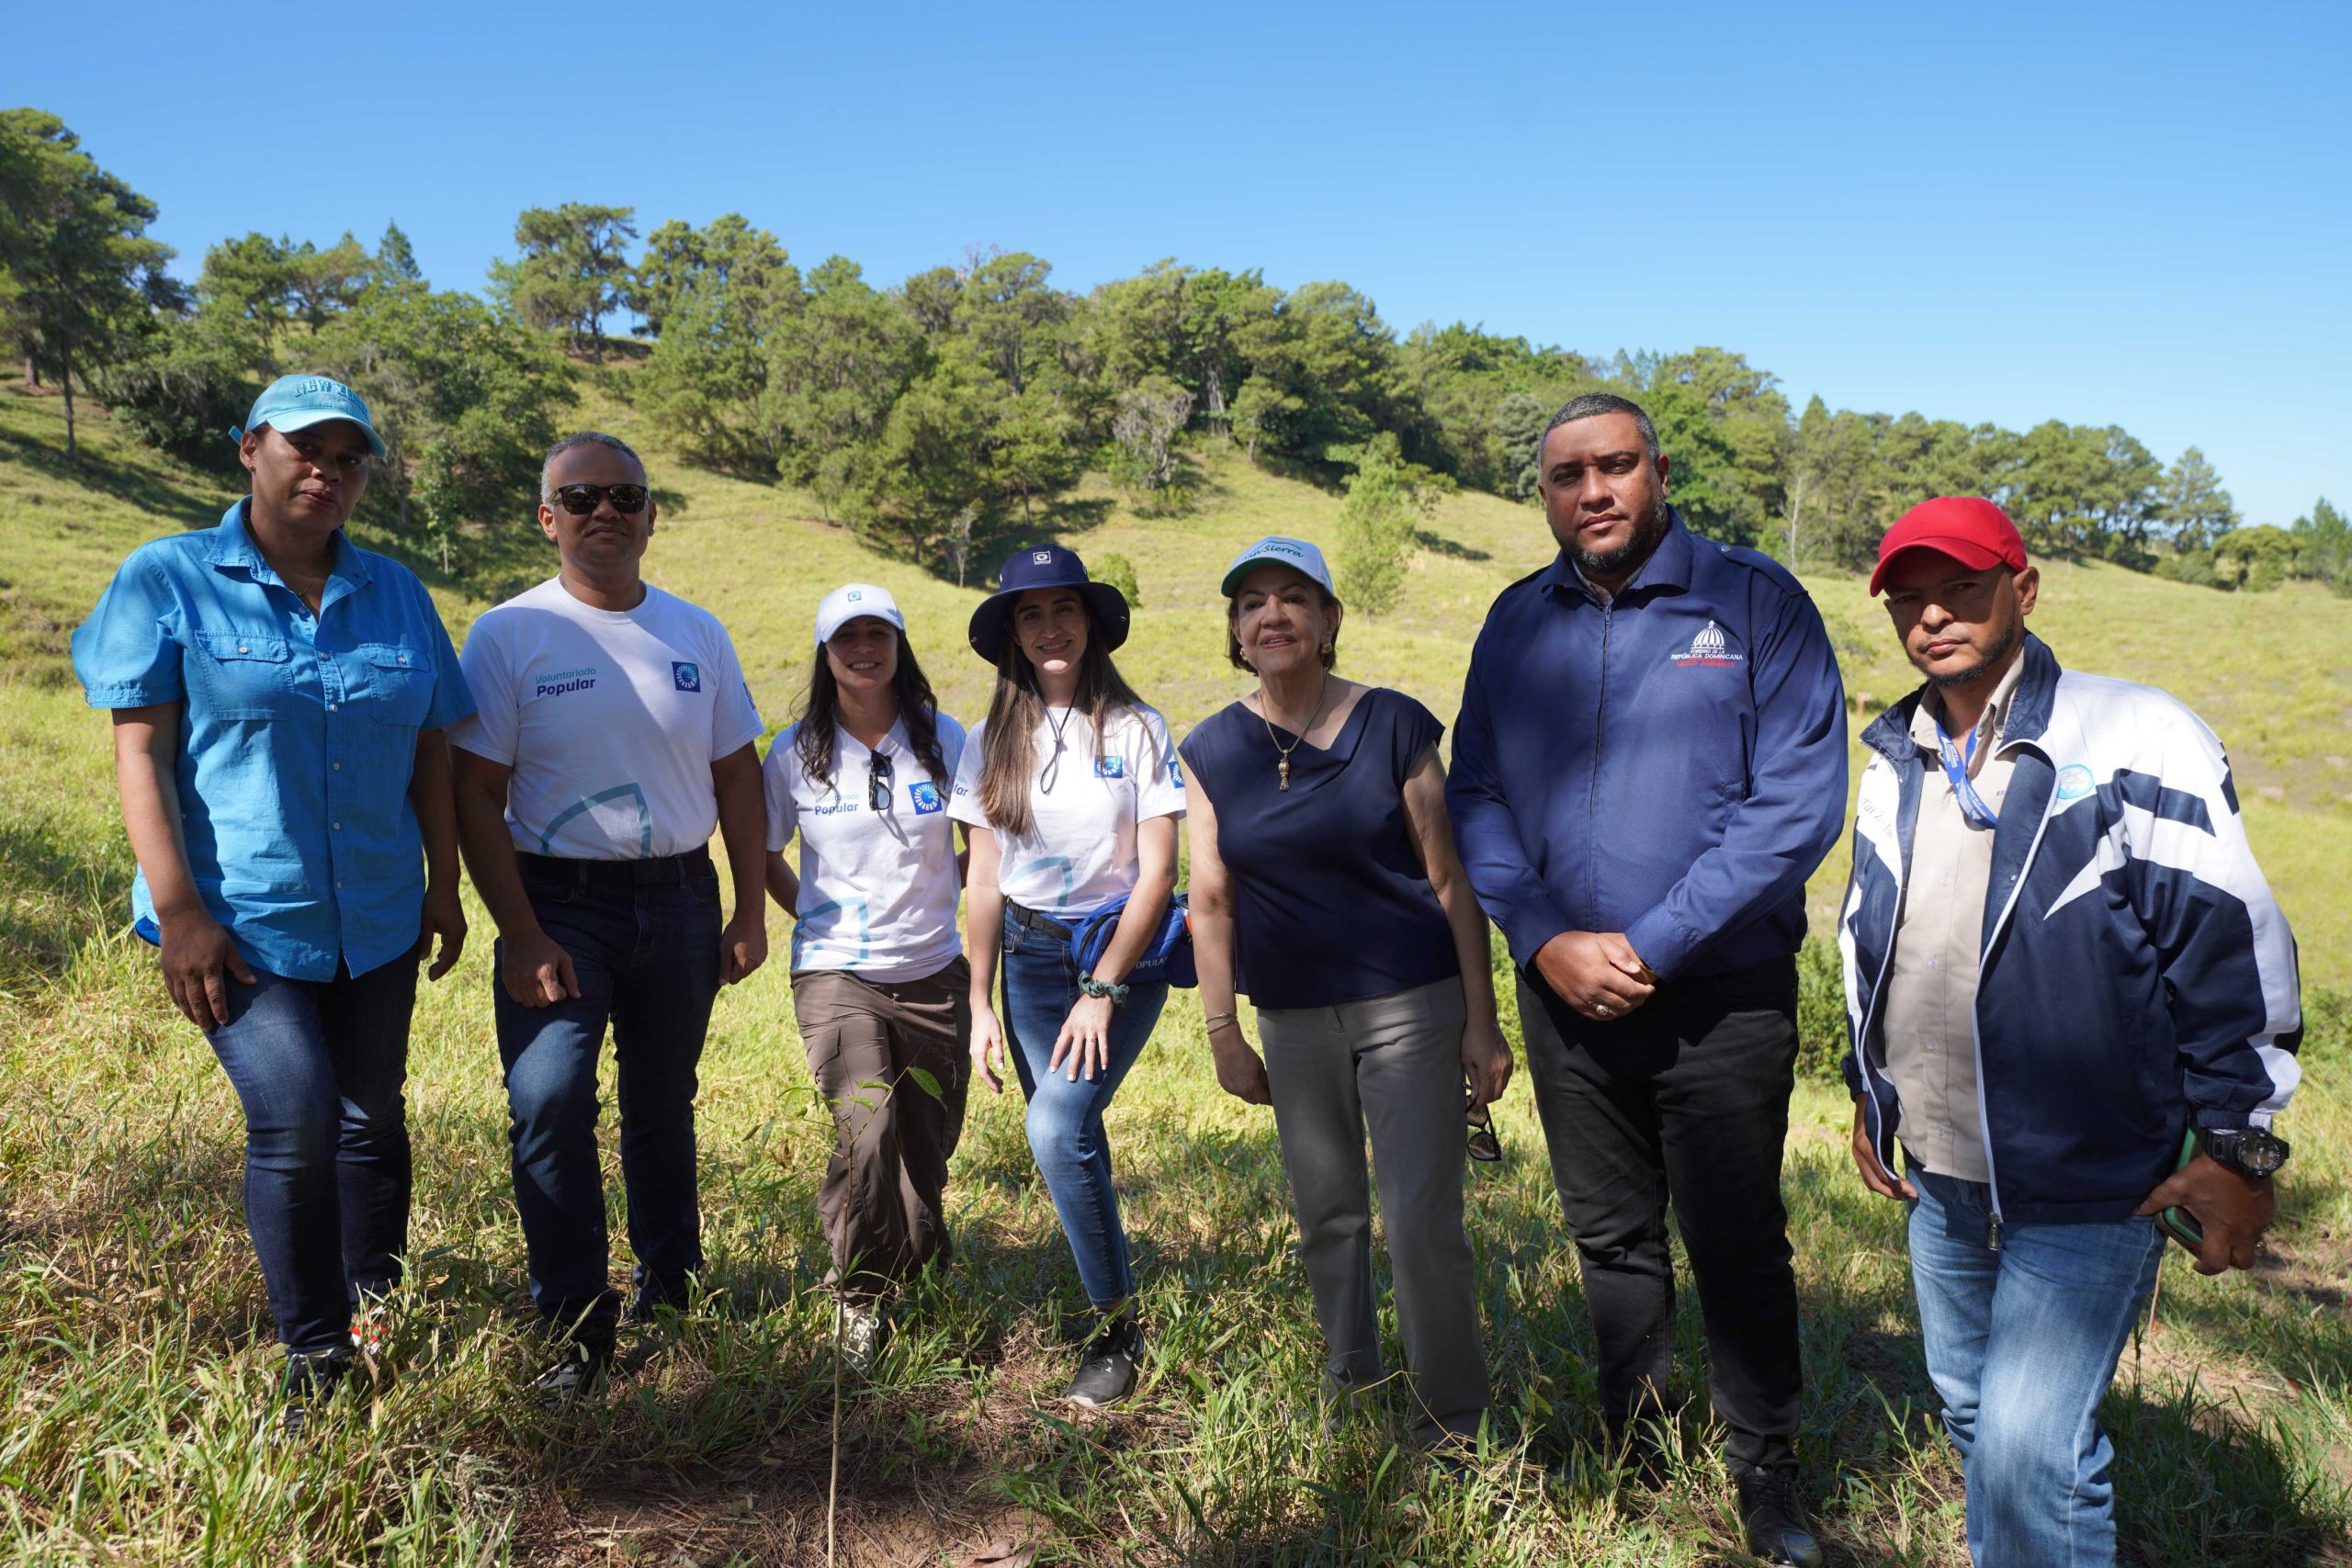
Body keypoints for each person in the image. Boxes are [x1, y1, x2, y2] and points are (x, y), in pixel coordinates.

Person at [1841, 498, 2301, 1567]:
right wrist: (1875, 1093)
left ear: (2024, 587)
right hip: (1941, 1171)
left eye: (1961, 586)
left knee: (2028, 1453)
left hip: (2095, 1168)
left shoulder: (2132, 733)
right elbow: (1874, 936)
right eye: (1909, 597)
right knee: (1974, 1417)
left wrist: (2241, 1148)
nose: (1933, 616)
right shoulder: (1893, 755)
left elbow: (2228, 942)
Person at [1447, 392, 1846, 1565]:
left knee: (1734, 1238)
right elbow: (1475, 792)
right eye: (1567, 476)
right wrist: (1538, 935)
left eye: (1615, 466)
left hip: (1720, 992)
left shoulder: (1752, 600)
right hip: (1562, 994)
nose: (1594, 492)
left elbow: (1796, 802)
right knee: (1610, 1236)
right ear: (1545, 494)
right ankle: (1634, 1439)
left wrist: (1651, 943)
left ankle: (1765, 1470)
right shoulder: (1517, 620)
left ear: (1657, 471)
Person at [70, 374, 472, 1432]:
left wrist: (446, 886)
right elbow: (141, 752)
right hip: (242, 919)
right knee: (294, 1117)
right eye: (306, 449)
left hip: (380, 914)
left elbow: (432, 749)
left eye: (349, 458)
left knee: (369, 1115)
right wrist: (180, 911)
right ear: (251, 449)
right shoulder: (169, 578)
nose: (327, 473)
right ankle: (314, 1356)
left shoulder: (397, 594)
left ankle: (376, 1302)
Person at [449, 432, 767, 1400]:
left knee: (661, 1106)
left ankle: (672, 1292)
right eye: (579, 497)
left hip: (678, 898)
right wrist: (520, 931)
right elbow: (474, 793)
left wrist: (750, 905)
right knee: (548, 1102)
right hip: (557, 903)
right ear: (547, 518)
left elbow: (736, 775)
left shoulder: (697, 632)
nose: (604, 513)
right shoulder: (508, 634)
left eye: (624, 498)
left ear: (650, 516)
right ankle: (577, 1328)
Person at [1181, 536, 1512, 1454]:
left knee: (1416, 1222)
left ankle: (1450, 1421)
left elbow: (1450, 881)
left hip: (1411, 1004)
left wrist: (1481, 1023)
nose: (1272, 615)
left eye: (1294, 598)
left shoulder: (1395, 725)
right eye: (1251, 604)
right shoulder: (1210, 750)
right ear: (1237, 634)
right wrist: (1221, 1031)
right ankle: (1351, 1391)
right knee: (1328, 1215)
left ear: (1328, 621)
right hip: (1288, 1019)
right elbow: (1209, 900)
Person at [951, 544, 1184, 1408]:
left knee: (1054, 1130)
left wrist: (1104, 988)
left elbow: (1159, 873)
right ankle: (1110, 1270)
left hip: (1117, 951)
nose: (1050, 628)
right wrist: (978, 1001)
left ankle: (1116, 1331)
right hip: (1027, 956)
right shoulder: (988, 739)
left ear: (1091, 623)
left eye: (1065, 609)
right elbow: (980, 878)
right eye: (1030, 613)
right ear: (1012, 631)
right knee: (1072, 1129)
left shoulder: (1137, 727)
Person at [763, 583, 970, 1375]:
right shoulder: (796, 751)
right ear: (825, 652)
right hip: (835, 971)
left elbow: (980, 842)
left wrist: (948, 889)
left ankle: (916, 1266)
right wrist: (810, 916)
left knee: (925, 1142)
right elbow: (761, 851)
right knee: (868, 1129)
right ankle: (854, 1293)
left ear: (898, 644)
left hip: (933, 969)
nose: (863, 647)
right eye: (845, 635)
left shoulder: (944, 736)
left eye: (877, 633)